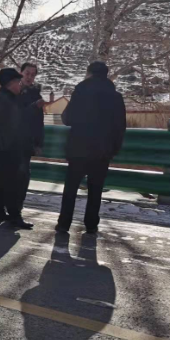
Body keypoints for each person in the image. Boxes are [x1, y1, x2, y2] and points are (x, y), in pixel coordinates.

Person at [56, 61, 126, 234]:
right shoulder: (116, 97)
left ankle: (64, 223)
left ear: (89, 73)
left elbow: (67, 119)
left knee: (71, 188)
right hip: (102, 151)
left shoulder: (80, 92)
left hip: (78, 149)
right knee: (95, 190)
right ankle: (91, 224)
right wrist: (113, 149)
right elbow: (120, 127)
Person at [0, 67, 35, 230]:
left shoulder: (9, 99)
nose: (20, 85)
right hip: (8, 149)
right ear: (10, 84)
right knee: (13, 184)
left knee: (2, 181)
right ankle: (15, 216)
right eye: (18, 82)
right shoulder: (4, 101)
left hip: (6, 148)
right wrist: (1, 144)